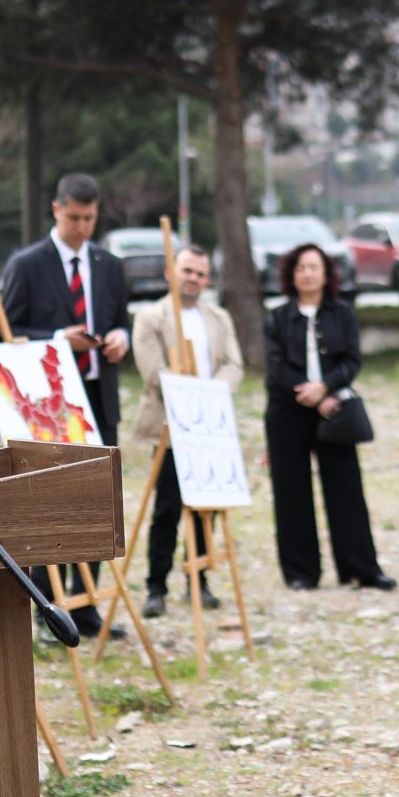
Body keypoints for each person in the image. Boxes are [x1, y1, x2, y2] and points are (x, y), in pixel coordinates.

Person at [0, 173, 132, 636]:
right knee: (51, 503)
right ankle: (48, 604)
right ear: (56, 210)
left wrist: (120, 338)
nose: (81, 227)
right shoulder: (28, 263)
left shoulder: (109, 264)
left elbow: (120, 317)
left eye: (89, 219)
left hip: (97, 396)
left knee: (96, 501)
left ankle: (87, 604)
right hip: (48, 404)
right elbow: (7, 330)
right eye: (74, 217)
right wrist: (58, 340)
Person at [261, 243, 391, 592]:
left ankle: (361, 569)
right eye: (301, 267)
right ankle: (301, 572)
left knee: (346, 489)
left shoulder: (342, 314)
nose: (307, 273)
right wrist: (307, 393)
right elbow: (274, 367)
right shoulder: (276, 317)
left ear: (326, 273)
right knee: (292, 491)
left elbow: (352, 360)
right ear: (291, 274)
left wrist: (326, 388)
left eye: (314, 267)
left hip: (334, 410)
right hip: (287, 411)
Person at [130, 244, 246, 618]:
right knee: (167, 508)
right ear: (171, 272)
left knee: (204, 508)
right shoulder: (151, 317)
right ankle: (156, 586)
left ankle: (200, 579)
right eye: (187, 271)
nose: (193, 279)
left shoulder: (218, 318)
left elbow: (233, 364)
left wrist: (211, 395)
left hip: (208, 426)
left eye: (200, 273)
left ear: (207, 279)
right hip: (169, 425)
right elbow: (152, 372)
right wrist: (187, 395)